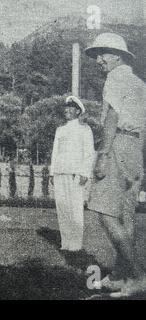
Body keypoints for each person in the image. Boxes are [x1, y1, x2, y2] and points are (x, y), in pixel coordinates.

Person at [85, 33, 146, 296]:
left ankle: (138, 275)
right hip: (135, 148)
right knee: (126, 216)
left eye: (103, 54)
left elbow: (112, 117)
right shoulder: (139, 83)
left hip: (118, 143)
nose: (98, 60)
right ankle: (122, 276)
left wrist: (104, 155)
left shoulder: (115, 77)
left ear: (118, 55)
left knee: (104, 213)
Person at [50, 96, 95, 252]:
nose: (67, 110)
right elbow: (55, 152)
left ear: (78, 111)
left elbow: (89, 153)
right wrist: (52, 172)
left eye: (71, 107)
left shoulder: (84, 129)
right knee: (62, 209)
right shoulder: (60, 130)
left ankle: (75, 245)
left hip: (75, 174)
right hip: (60, 173)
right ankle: (66, 243)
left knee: (75, 209)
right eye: (66, 107)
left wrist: (84, 173)